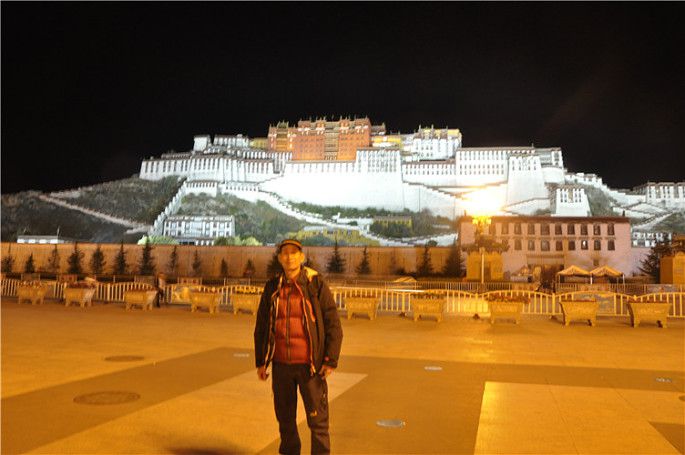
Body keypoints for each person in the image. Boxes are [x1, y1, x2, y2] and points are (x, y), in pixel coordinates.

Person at [254, 239, 343, 455]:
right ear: (279, 258)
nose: (289, 257)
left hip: (310, 367)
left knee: (318, 422)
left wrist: (330, 359)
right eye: (285, 253)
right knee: (285, 421)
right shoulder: (273, 287)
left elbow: (333, 322)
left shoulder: (315, 284)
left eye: (294, 253)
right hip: (281, 365)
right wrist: (261, 361)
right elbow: (262, 325)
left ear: (301, 257)